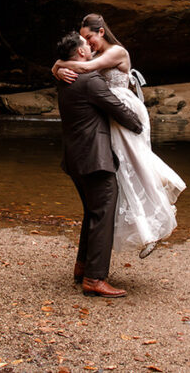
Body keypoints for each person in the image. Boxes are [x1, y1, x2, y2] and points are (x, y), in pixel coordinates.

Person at [53, 14, 186, 259]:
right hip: (107, 110)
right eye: (83, 39)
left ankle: (154, 216)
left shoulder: (116, 52)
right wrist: (58, 68)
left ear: (101, 32)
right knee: (122, 170)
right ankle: (142, 227)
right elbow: (82, 65)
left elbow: (86, 67)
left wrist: (57, 67)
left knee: (134, 163)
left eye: (89, 37)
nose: (87, 42)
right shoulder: (92, 56)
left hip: (123, 109)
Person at [55, 31, 144, 298]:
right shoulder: (90, 80)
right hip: (96, 159)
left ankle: (82, 267)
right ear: (81, 53)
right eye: (86, 44)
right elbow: (117, 109)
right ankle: (95, 279)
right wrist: (138, 123)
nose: (90, 46)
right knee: (103, 214)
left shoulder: (65, 78)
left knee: (92, 212)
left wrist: (58, 67)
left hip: (75, 157)